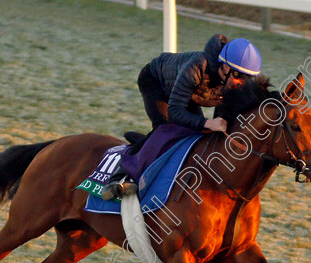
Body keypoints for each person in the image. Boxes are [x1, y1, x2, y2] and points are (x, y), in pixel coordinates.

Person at [100, 35, 263, 201]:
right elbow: (175, 111)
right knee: (164, 131)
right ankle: (118, 177)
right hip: (156, 82)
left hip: (189, 95)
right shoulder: (197, 67)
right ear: (224, 67)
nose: (240, 82)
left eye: (246, 77)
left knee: (196, 136)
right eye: (237, 75)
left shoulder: (233, 83)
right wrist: (207, 122)